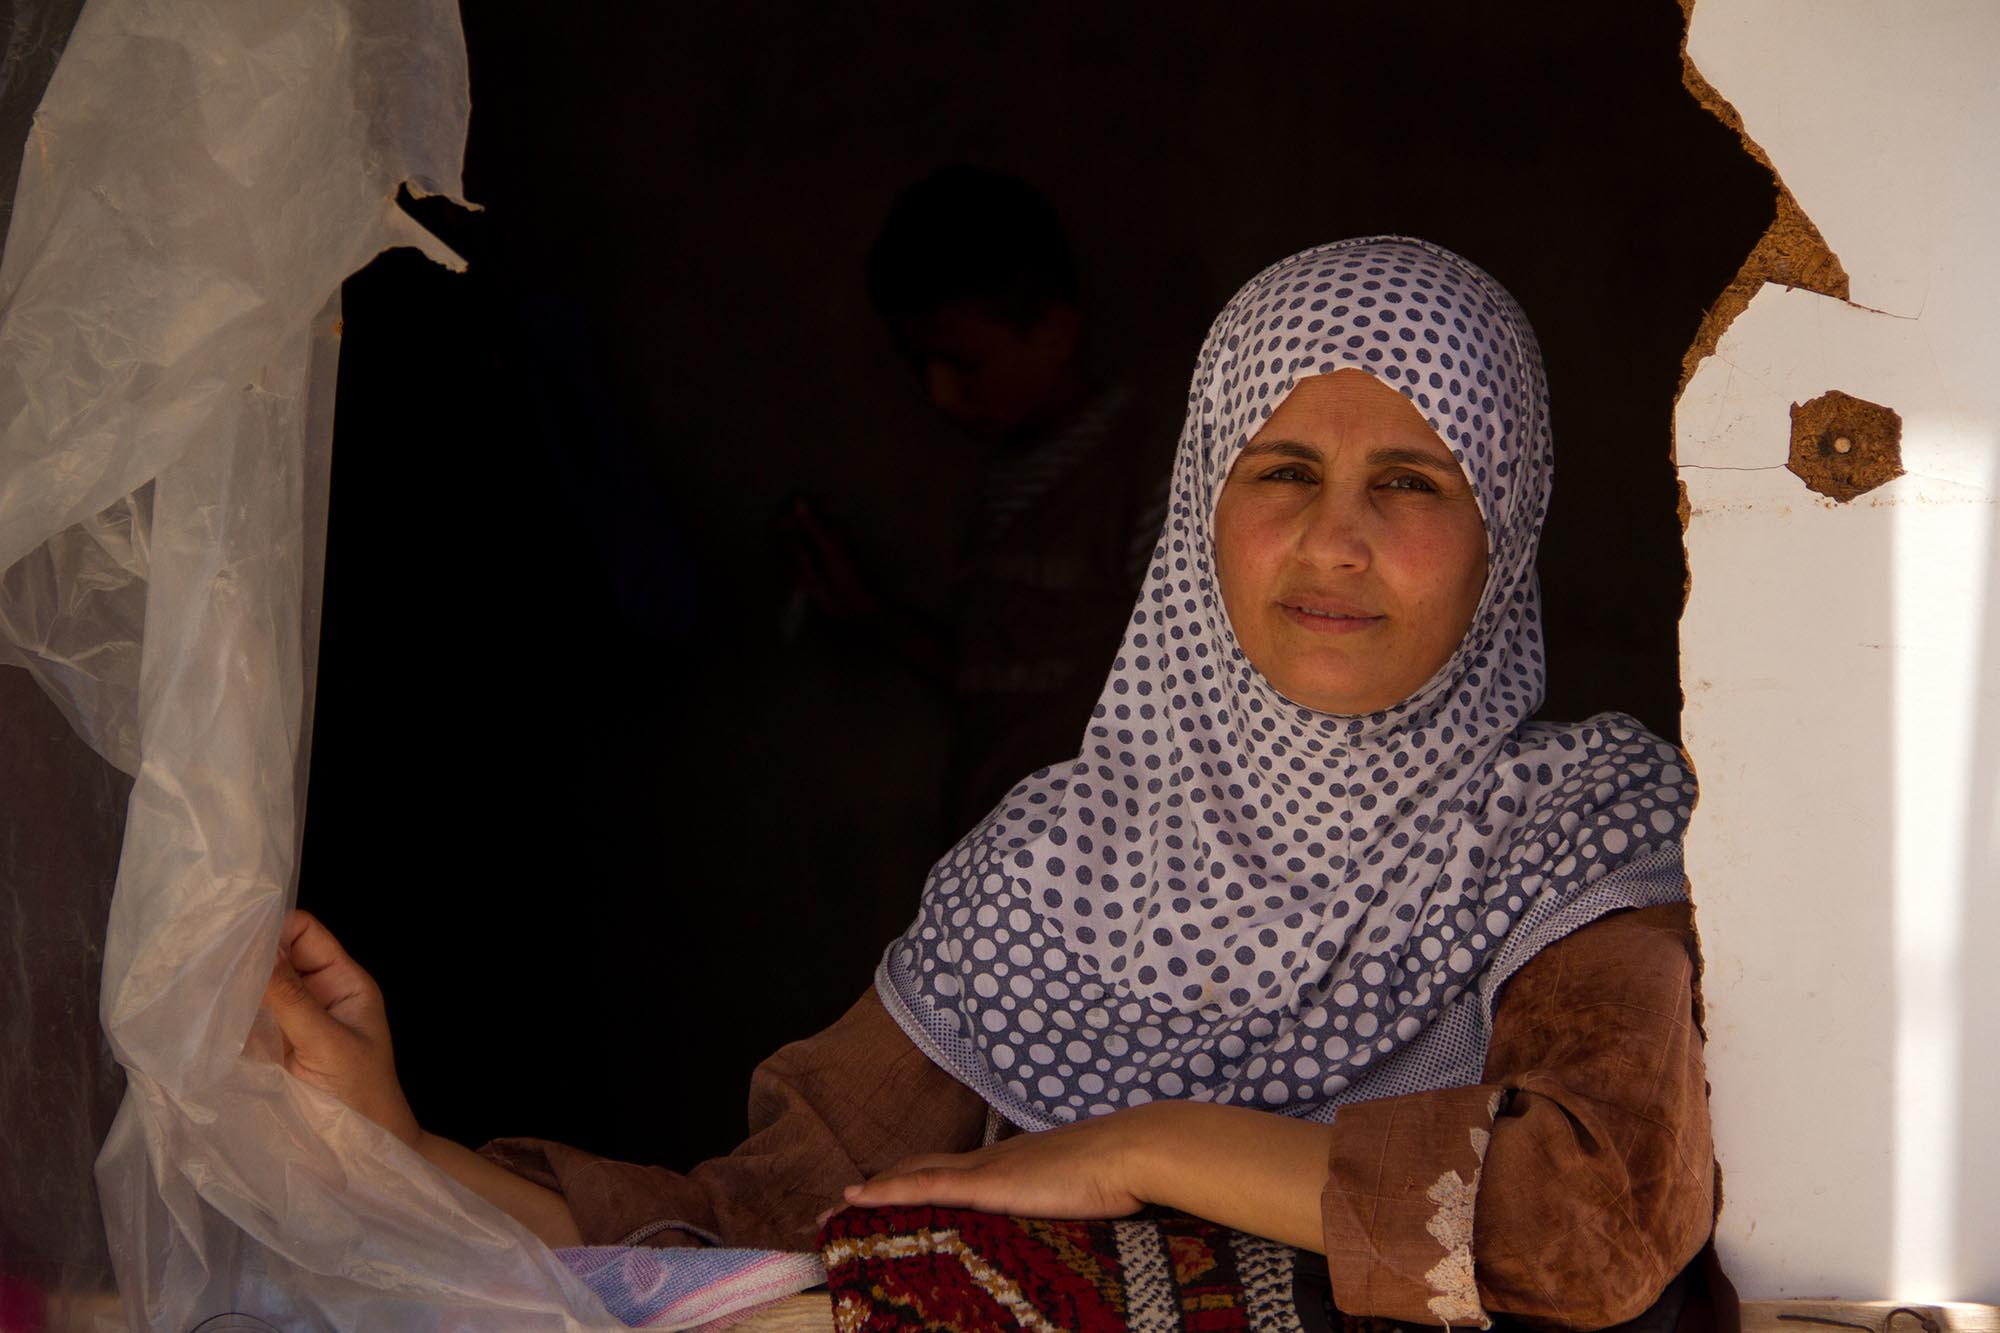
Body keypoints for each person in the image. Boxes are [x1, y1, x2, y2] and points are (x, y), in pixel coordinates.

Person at [264, 237, 1713, 1327]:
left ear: (1501, 525)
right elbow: (756, 1224)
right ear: (1205, 505)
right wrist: (388, 1146)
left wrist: (1141, 1152)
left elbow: (1590, 1218)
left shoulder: (1579, 829)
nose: (1335, 541)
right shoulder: (1053, 864)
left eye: (1411, 480)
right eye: (1280, 471)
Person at [786, 166, 1173, 835]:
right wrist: (872, 613)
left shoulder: (1148, 476)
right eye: (918, 368)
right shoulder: (1004, 483)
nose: (938, 395)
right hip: (994, 879)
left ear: (1054, 331)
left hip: (1107, 881)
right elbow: (1001, 677)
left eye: (963, 365)